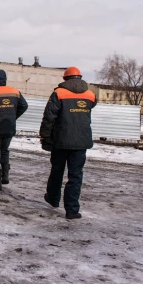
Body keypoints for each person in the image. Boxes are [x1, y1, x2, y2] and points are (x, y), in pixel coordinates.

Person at [39, 66, 96, 219]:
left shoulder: (58, 93)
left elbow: (49, 116)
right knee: (75, 176)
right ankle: (72, 210)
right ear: (80, 77)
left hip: (61, 140)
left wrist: (44, 136)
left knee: (57, 171)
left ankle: (53, 198)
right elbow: (91, 108)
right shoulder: (91, 94)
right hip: (81, 142)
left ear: (65, 79)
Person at [0, 70, 28, 190]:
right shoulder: (15, 91)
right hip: (10, 127)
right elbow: (24, 105)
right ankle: (5, 176)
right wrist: (13, 117)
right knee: (5, 151)